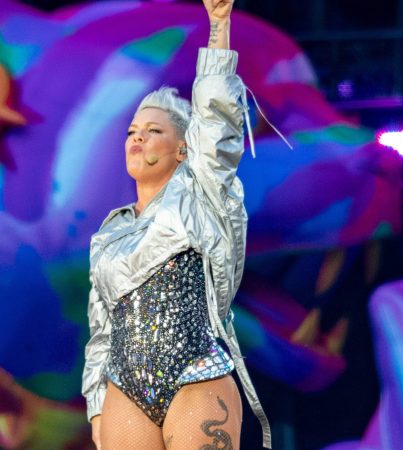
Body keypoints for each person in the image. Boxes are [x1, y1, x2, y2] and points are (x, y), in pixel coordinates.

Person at [81, 0, 270, 448]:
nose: (138, 137)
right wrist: (96, 407)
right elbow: (101, 331)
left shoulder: (202, 191)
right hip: (124, 388)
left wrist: (218, 25)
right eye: (131, 131)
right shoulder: (107, 236)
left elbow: (217, 119)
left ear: (184, 149)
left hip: (196, 373)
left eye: (153, 130)